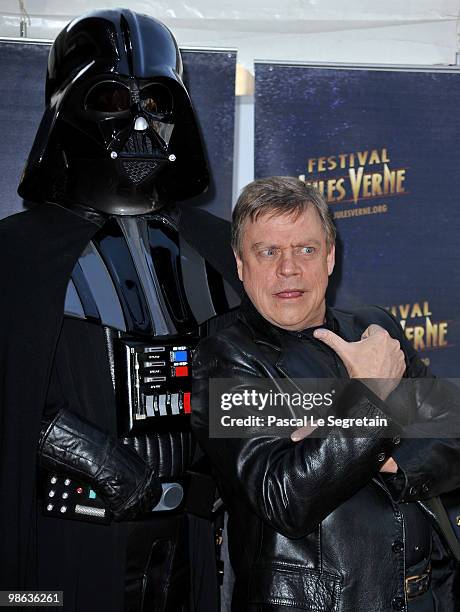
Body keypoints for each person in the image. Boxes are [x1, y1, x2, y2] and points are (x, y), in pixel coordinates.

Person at [0, 9, 239, 612]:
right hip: (69, 541)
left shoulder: (222, 247)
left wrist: (383, 408)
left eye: (157, 102)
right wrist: (84, 451)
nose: (138, 122)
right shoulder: (18, 255)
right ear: (67, 110)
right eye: (111, 97)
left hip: (188, 537)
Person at [191, 176, 460, 611]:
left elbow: (453, 432)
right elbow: (286, 496)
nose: (289, 268)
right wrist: (372, 395)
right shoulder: (226, 359)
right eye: (268, 252)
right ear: (241, 265)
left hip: (428, 596)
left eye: (306, 249)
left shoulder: (375, 330)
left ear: (330, 257)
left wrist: (373, 451)